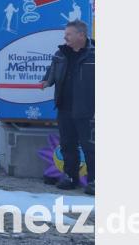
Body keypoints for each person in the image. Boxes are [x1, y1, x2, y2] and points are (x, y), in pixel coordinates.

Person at [42, 19, 95, 195]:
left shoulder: (95, 54)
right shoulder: (60, 54)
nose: (65, 37)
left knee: (90, 146)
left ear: (81, 35)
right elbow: (51, 73)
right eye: (65, 34)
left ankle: (94, 181)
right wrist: (46, 81)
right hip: (64, 108)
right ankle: (70, 177)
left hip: (87, 110)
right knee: (67, 144)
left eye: (69, 34)